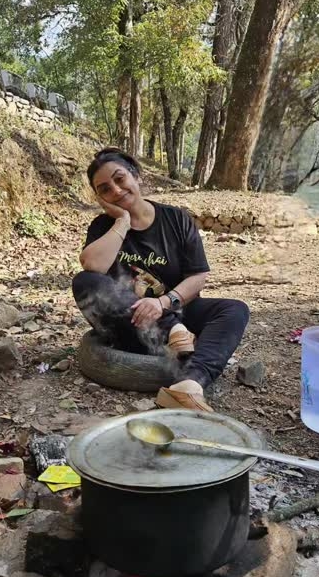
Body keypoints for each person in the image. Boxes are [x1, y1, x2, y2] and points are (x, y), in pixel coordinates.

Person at [72, 147, 250, 412]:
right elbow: (92, 266)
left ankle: (189, 384)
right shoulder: (102, 226)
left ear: (136, 176)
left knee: (234, 309)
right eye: (105, 189)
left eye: (120, 179)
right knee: (85, 281)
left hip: (179, 316)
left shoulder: (175, 219)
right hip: (133, 326)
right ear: (100, 198)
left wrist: (163, 303)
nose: (116, 191)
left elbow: (198, 276)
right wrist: (123, 221)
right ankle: (172, 332)